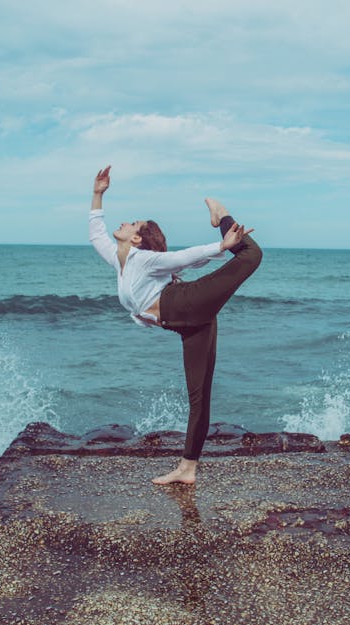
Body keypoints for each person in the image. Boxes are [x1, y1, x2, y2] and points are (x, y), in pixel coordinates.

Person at [88, 165, 262, 485]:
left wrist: (221, 245)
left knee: (251, 255)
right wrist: (98, 193)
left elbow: (181, 258)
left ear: (137, 238)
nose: (124, 222)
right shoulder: (120, 260)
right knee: (199, 395)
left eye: (132, 223)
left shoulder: (144, 259)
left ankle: (222, 215)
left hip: (187, 302)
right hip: (187, 323)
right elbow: (95, 233)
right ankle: (188, 469)